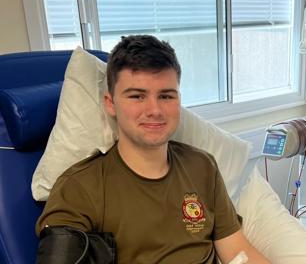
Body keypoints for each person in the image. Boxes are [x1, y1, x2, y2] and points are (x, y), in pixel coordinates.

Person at [36, 35, 270, 263]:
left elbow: (238, 251)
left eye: (166, 96)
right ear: (111, 104)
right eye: (137, 96)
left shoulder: (202, 166)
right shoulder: (79, 188)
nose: (154, 110)